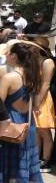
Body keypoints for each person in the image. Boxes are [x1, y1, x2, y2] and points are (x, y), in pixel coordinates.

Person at [0, 41, 45, 183]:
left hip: (9, 125)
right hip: (27, 125)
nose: (6, 55)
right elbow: (36, 105)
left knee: (4, 163)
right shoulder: (34, 77)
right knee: (25, 162)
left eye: (8, 52)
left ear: (14, 56)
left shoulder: (9, 78)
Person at [31, 37, 55, 171]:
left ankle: (46, 160)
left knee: (44, 130)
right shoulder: (35, 61)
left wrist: (38, 102)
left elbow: (46, 84)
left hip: (43, 97)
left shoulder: (48, 62)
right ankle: (37, 158)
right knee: (37, 129)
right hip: (35, 96)